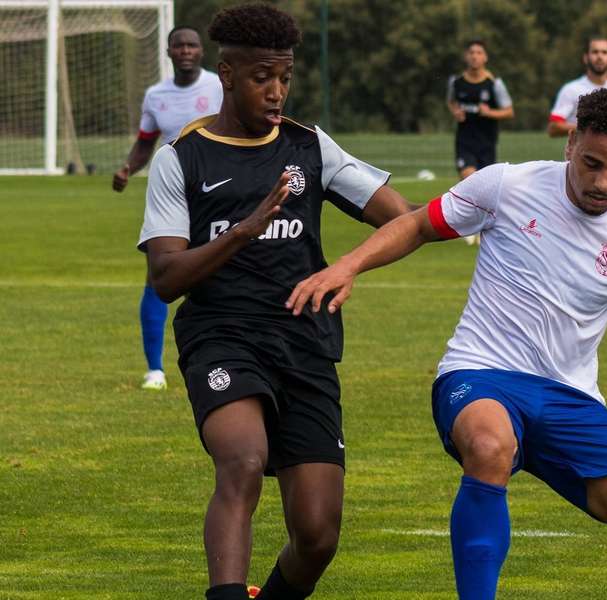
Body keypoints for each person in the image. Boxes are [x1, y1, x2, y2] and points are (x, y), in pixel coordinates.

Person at [286, 87, 607, 600]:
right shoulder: (507, 186)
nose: (603, 184)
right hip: (481, 374)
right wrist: (349, 266)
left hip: (571, 401)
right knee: (491, 446)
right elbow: (419, 225)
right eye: (591, 163)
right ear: (570, 144)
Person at [136, 5, 413, 600]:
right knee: (241, 460)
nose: (277, 90)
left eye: (285, 76)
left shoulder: (310, 148)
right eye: (263, 76)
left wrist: (349, 264)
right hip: (222, 336)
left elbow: (403, 219)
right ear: (227, 74)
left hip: (304, 342)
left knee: (316, 535)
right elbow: (164, 277)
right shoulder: (181, 158)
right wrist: (243, 229)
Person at [113, 25, 223, 391]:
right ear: (170, 51)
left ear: (201, 51)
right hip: (168, 191)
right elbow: (145, 142)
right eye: (180, 45)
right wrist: (129, 167)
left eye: (192, 44)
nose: (186, 51)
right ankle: (155, 370)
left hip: (217, 192)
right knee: (158, 278)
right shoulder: (155, 95)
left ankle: (225, 358)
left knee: (223, 274)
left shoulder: (219, 87)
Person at [447, 39, 514, 245]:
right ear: (467, 57)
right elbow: (451, 102)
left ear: (485, 57)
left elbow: (509, 111)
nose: (475, 56)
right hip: (464, 142)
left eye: (479, 52)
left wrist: (489, 112)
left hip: (487, 143)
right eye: (472, 52)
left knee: (486, 188)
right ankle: (467, 227)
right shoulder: (456, 83)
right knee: (469, 178)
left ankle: (479, 226)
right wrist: (455, 112)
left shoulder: (494, 84)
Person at [548, 35, 607, 138]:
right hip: (581, 153)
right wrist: (591, 128)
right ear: (586, 58)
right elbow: (553, 128)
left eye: (604, 52)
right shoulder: (571, 89)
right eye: (595, 52)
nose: (600, 57)